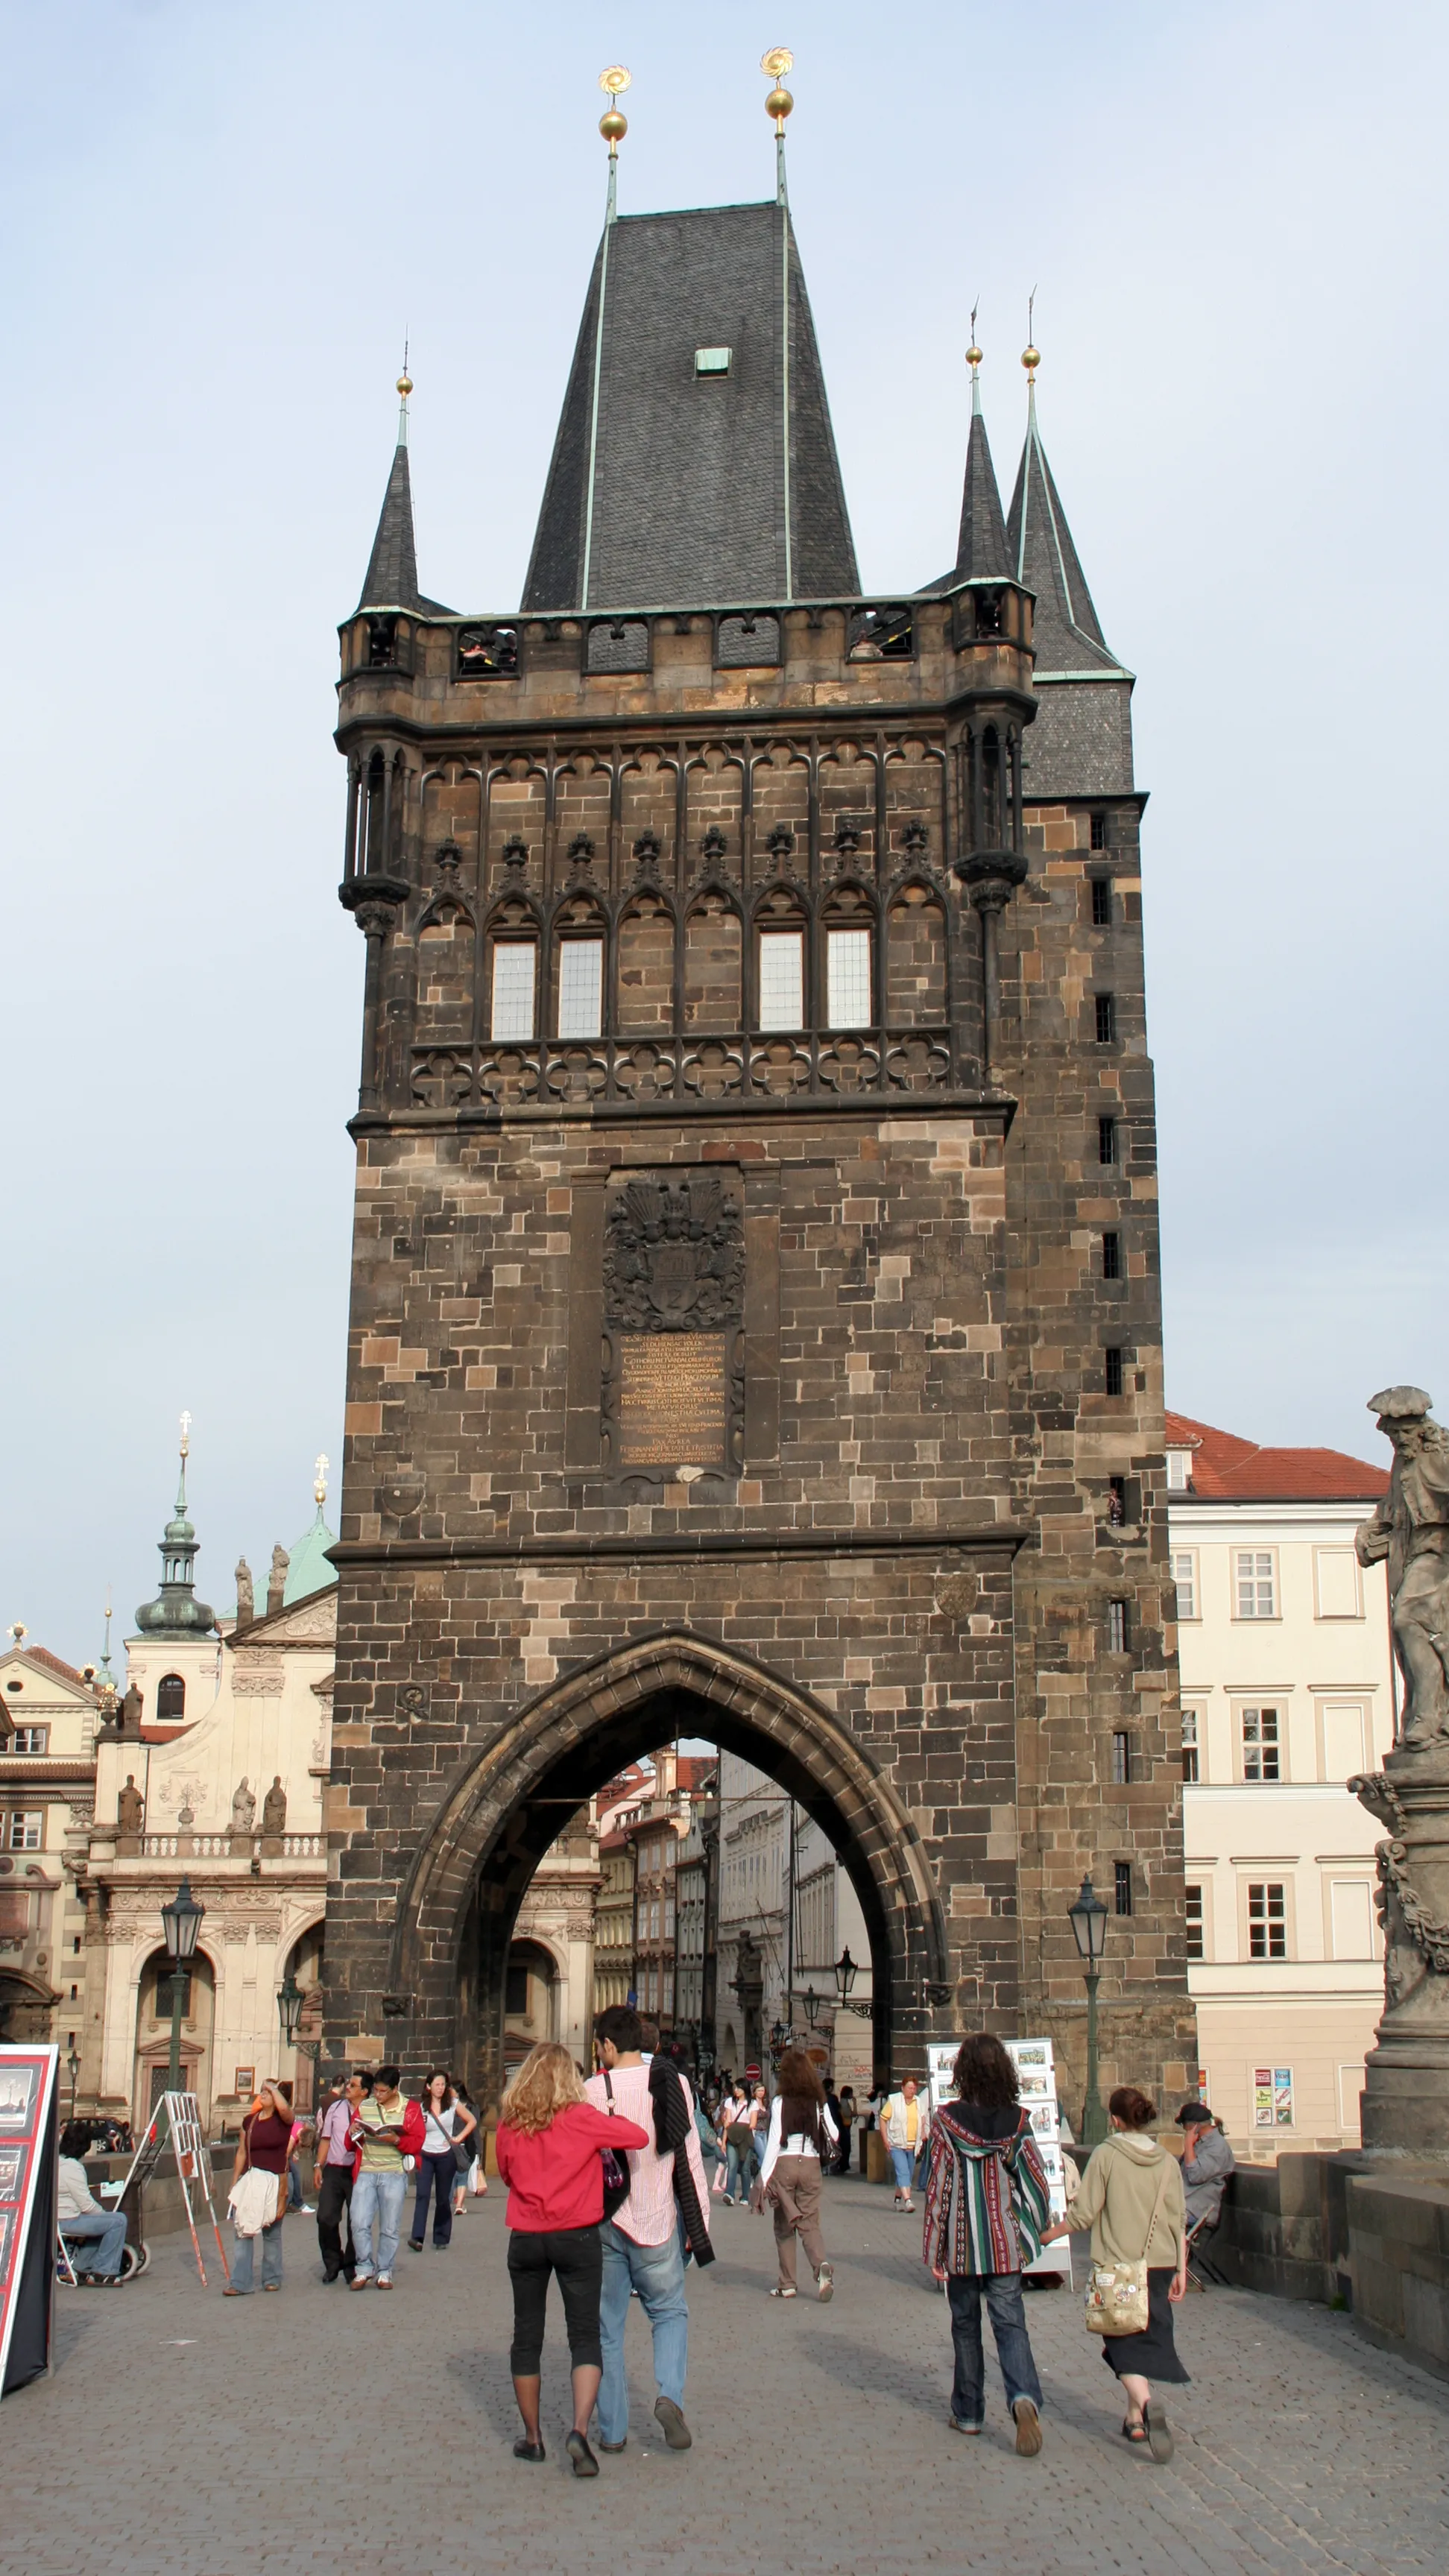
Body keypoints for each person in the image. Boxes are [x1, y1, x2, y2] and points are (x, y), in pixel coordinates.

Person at [495, 2039, 648, 2475]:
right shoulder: (581, 2118)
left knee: (527, 2338)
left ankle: (533, 2438)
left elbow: (505, 2173)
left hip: (526, 2235)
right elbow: (637, 2138)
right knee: (584, 2335)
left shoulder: (513, 2122)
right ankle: (580, 2430)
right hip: (577, 2235)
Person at [584, 2004, 711, 2455]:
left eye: (598, 2044)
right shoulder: (674, 2083)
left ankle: (614, 2431)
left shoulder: (592, 2091)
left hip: (606, 2222)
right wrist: (701, 2224)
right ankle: (669, 2397)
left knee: (607, 2329)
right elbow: (689, 2153)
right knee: (670, 2311)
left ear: (609, 2045)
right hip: (659, 2220)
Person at [1041, 2084, 1188, 2461]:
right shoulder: (1168, 2161)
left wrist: (1048, 2235)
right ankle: (1134, 2418)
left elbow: (1085, 2213)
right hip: (1159, 2262)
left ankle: (1146, 2402)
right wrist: (1182, 2269)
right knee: (1143, 2336)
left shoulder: (1106, 2155)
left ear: (1115, 2120)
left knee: (1119, 2341)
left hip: (1118, 2267)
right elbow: (1177, 2220)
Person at [922, 2034, 1051, 2454]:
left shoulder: (946, 2122)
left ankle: (970, 2413)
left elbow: (938, 2187)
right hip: (1003, 2242)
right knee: (1011, 2325)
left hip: (962, 2244)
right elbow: (1035, 2181)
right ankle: (1023, 2399)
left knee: (965, 2328)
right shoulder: (1016, 2122)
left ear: (962, 2072)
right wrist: (1034, 2227)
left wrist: (934, 2247)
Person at [757, 2047, 837, 2300]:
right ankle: (820, 2265)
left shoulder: (780, 2103)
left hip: (786, 2165)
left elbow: (772, 2143)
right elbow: (833, 2134)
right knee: (809, 2223)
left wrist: (763, 2176)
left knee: (784, 2226)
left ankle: (788, 2283)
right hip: (812, 2164)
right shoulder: (818, 2103)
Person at [348, 2064, 425, 2290]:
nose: (378, 2095)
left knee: (389, 2227)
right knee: (359, 2222)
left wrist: (397, 2141)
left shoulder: (410, 2109)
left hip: (393, 2172)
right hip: (366, 2171)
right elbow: (349, 2140)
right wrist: (353, 2132)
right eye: (376, 2091)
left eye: (383, 2091)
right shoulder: (365, 2106)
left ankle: (384, 2271)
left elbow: (418, 2141)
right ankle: (363, 2267)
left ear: (394, 2089)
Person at [224, 2077, 293, 2296]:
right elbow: (242, 2152)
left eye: (268, 2092)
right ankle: (240, 2282)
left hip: (276, 2180)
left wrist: (273, 2087)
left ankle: (272, 2278)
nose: (262, 2094)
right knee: (243, 2229)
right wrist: (235, 2181)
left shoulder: (284, 2121)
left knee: (271, 2231)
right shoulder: (249, 2121)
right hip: (252, 2179)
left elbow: (285, 2109)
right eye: (261, 2091)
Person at [409, 2069, 477, 2252]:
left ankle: (441, 2236)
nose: (440, 2088)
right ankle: (417, 2237)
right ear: (429, 2087)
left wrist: (459, 2138)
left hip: (446, 2155)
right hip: (426, 2154)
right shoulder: (421, 2107)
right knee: (422, 2194)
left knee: (442, 2197)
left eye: (443, 2085)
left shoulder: (453, 2104)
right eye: (437, 2085)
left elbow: (472, 2121)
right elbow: (413, 2129)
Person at [57, 2122, 129, 2283]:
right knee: (118, 2221)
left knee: (102, 2222)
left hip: (59, 2219)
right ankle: (104, 2271)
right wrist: (105, 2215)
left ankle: (82, 2266)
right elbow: (86, 2205)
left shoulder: (57, 2162)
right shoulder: (73, 2168)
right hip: (68, 2220)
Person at [313, 2073, 362, 2282]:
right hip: (333, 2169)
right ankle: (333, 2261)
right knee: (325, 2217)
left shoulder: (370, 2110)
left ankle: (351, 2265)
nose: (348, 2088)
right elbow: (326, 2138)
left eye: (353, 2085)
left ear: (364, 2091)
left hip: (358, 2170)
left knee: (356, 2221)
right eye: (348, 2084)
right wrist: (318, 2165)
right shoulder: (335, 2108)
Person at [1176, 2102, 1234, 2230]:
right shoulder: (1200, 2143)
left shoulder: (1217, 2147)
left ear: (1194, 2126)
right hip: (1184, 2206)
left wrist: (1188, 2145)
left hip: (1197, 2211)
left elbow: (1195, 2175)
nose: (1184, 2129)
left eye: (1184, 2125)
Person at [880, 2075, 929, 2209]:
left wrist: (924, 2132)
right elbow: (883, 2119)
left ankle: (897, 2200)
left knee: (906, 2173)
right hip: (897, 2144)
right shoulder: (894, 2101)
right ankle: (908, 2201)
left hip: (913, 2146)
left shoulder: (919, 2102)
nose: (912, 2091)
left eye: (914, 2088)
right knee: (903, 2172)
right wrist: (885, 2140)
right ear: (902, 2088)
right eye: (909, 2088)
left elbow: (923, 2119)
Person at [452, 2079, 487, 2212]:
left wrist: (478, 2152)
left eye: (452, 2091)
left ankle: (459, 2203)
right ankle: (455, 2198)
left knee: (462, 2174)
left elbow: (475, 2130)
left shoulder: (472, 2108)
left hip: (466, 2145)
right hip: (451, 2144)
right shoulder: (448, 2106)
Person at [718, 2078, 753, 2206]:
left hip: (746, 2139)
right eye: (735, 2088)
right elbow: (727, 2124)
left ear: (745, 2089)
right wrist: (723, 2141)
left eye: (739, 2088)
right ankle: (729, 2194)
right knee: (731, 2166)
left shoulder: (752, 2104)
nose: (736, 2091)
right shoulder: (729, 2102)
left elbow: (752, 2124)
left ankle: (745, 2196)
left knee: (745, 2169)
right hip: (732, 2138)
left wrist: (734, 2124)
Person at [834, 2084, 857, 2175]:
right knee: (847, 2147)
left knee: (846, 2146)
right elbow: (852, 2114)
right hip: (845, 2125)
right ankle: (845, 2166)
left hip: (846, 2125)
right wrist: (855, 2103)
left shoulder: (844, 2102)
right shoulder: (844, 2103)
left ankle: (843, 2165)